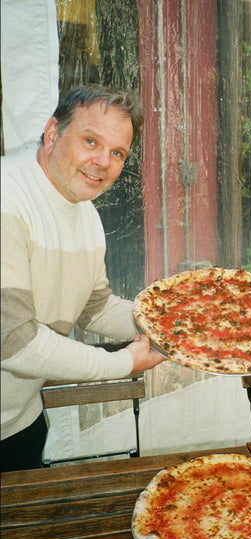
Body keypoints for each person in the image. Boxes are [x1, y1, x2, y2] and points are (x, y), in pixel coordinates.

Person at [1, 84, 165, 472]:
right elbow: (14, 343)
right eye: (91, 141)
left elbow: (94, 307)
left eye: (116, 153)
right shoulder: (7, 199)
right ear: (53, 133)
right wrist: (124, 363)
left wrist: (171, 325)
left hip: (19, 421)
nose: (102, 162)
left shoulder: (84, 210)